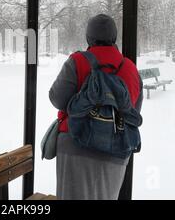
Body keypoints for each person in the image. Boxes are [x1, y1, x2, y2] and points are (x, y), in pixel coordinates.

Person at [49, 14, 143, 200]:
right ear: (114, 37)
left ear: (89, 37)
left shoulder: (77, 61)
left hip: (75, 142)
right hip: (117, 147)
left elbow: (57, 99)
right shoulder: (130, 68)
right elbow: (134, 111)